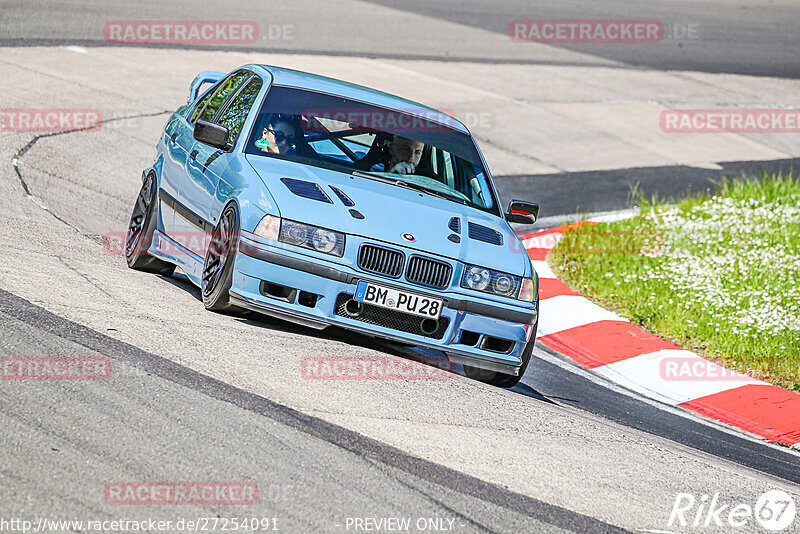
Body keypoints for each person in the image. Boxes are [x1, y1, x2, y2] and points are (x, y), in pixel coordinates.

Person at [355, 134, 425, 175]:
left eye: (417, 152)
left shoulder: (429, 184)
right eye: (405, 150)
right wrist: (391, 175)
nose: (411, 157)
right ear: (391, 149)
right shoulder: (371, 173)